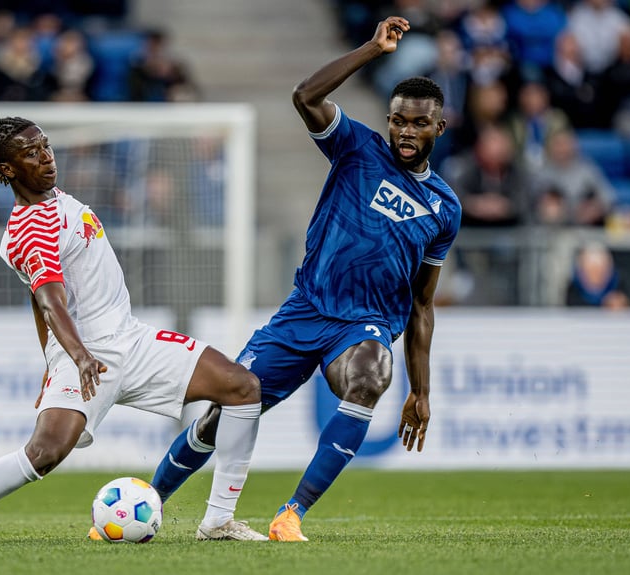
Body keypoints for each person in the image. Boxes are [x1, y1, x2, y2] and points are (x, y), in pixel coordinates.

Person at [145, 16, 461, 542]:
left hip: (363, 323)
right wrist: (371, 50)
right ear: (389, 120)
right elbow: (305, 95)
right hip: (304, 310)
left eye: (419, 124)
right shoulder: (359, 149)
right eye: (400, 121)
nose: (407, 132)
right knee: (223, 415)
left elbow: (422, 305)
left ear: (438, 128)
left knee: (369, 377)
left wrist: (421, 391)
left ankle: (291, 514)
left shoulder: (444, 208)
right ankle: (148, 504)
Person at [0, 117, 267, 543]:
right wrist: (75, 357)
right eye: (30, 153)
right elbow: (51, 303)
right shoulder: (32, 229)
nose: (46, 157)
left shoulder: (58, 201)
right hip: (85, 355)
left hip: (132, 339)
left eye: (45, 146)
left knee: (242, 388)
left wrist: (48, 360)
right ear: (8, 169)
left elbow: (38, 304)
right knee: (44, 453)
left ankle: (218, 520)